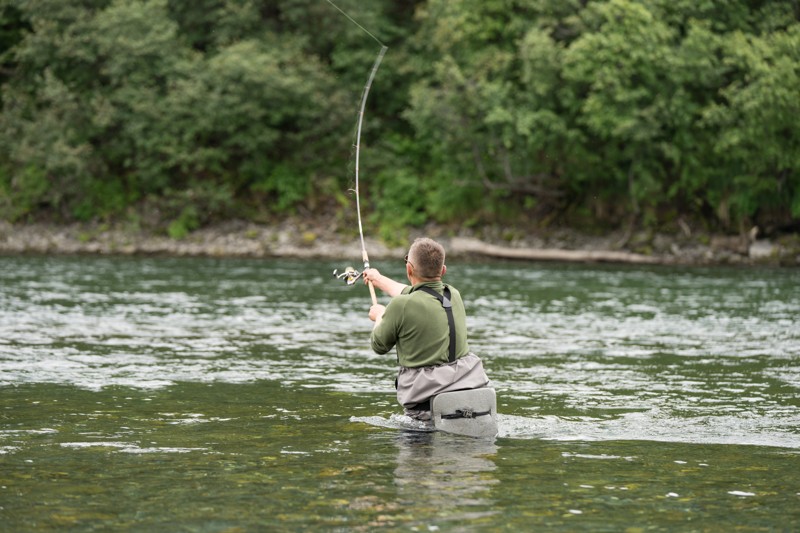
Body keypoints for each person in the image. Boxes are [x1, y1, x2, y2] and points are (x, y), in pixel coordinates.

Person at [363, 237, 490, 421]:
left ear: (409, 269)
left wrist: (380, 316)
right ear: (443, 270)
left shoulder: (401, 305)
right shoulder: (452, 294)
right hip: (471, 396)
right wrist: (378, 279)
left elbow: (378, 345)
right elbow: (416, 293)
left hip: (427, 408)